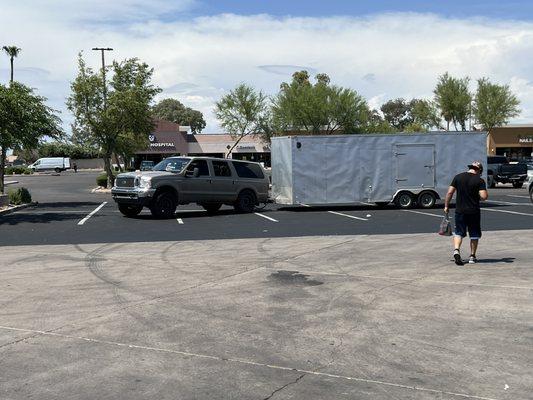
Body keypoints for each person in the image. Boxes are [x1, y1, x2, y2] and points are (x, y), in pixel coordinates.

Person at [444, 161, 488, 265]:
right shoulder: (480, 180)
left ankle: (456, 250)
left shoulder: (458, 177)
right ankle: (472, 256)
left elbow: (450, 192)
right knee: (474, 234)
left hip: (460, 211)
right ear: (479, 170)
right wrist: (476, 196)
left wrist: (446, 205)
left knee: (459, 232)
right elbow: (484, 196)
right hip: (473, 211)